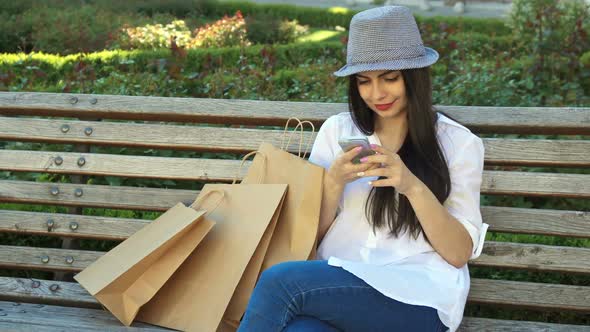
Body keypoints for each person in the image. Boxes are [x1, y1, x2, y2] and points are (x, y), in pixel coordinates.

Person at [237, 5, 488, 332]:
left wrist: (411, 186)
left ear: (414, 77)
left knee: (279, 282)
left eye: (390, 78)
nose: (377, 94)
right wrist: (333, 183)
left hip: (417, 298)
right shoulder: (337, 132)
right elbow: (306, 239)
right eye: (364, 81)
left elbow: (458, 253)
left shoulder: (458, 144)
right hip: (340, 285)